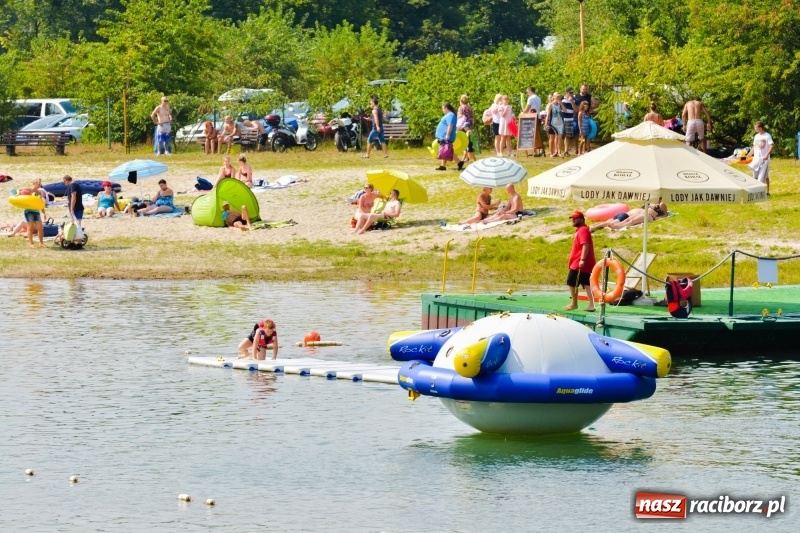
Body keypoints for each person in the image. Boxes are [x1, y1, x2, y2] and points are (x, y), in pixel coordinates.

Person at [565, 211, 597, 311]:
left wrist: (582, 259)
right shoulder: (581, 230)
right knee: (586, 283)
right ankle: (591, 305)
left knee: (571, 281)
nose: (573, 220)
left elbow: (585, 245)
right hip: (582, 261)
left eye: (576, 218)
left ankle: (574, 303)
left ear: (582, 219)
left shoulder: (583, 230)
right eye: (572, 218)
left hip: (580, 262)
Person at [590, 199, 669, 231]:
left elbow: (665, 214)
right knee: (628, 219)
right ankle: (619, 225)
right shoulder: (651, 200)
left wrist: (657, 217)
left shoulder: (662, 204)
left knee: (632, 221)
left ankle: (619, 226)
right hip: (642, 213)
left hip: (650, 216)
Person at [749, 121, 774, 197]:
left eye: (756, 127)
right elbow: (754, 147)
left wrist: (766, 155)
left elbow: (772, 145)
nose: (755, 129)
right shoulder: (756, 136)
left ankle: (767, 192)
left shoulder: (767, 136)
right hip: (756, 159)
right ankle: (756, 191)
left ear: (760, 128)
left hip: (764, 159)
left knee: (765, 176)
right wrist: (748, 155)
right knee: (755, 175)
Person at [23, 179, 47, 248]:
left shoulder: (39, 193)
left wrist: (44, 213)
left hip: (36, 211)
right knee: (30, 228)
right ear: (34, 183)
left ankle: (41, 243)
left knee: (40, 228)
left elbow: (41, 204)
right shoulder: (29, 190)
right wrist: (18, 194)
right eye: (38, 183)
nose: (40, 184)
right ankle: (31, 243)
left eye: (40, 183)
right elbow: (19, 190)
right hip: (29, 211)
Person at [435, 102, 457, 170]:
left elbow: (450, 125)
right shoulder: (449, 115)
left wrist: (447, 135)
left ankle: (459, 162)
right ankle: (443, 166)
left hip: (446, 136)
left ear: (446, 108)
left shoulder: (450, 115)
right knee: (445, 150)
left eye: (443, 109)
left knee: (446, 150)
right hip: (444, 136)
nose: (442, 110)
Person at [521, 86, 543, 157]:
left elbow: (527, 108)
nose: (527, 93)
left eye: (527, 92)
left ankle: (535, 151)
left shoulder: (531, 98)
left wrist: (523, 113)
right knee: (537, 134)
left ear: (530, 91)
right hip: (538, 116)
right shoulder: (538, 98)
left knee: (532, 135)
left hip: (532, 117)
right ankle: (538, 150)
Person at [456, 94, 476, 170]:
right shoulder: (470, 108)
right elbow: (473, 117)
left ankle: (464, 158)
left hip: (463, 126)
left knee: (464, 141)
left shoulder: (461, 108)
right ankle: (467, 157)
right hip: (470, 124)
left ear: (460, 101)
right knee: (469, 141)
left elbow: (459, 117)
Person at [545, 92, 565, 158]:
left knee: (559, 138)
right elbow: (548, 115)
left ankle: (559, 152)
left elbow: (565, 110)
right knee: (552, 138)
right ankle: (551, 152)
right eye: (557, 98)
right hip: (553, 123)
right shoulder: (551, 105)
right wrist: (546, 123)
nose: (558, 99)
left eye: (559, 98)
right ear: (554, 98)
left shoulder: (560, 105)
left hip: (560, 123)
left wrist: (561, 103)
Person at [562, 87, 577, 156]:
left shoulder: (574, 99)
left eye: (572, 92)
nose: (571, 94)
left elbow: (576, 109)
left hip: (571, 119)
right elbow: (564, 110)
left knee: (570, 135)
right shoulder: (563, 99)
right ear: (566, 92)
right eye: (570, 92)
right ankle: (563, 151)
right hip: (564, 119)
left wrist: (572, 102)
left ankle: (569, 151)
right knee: (564, 135)